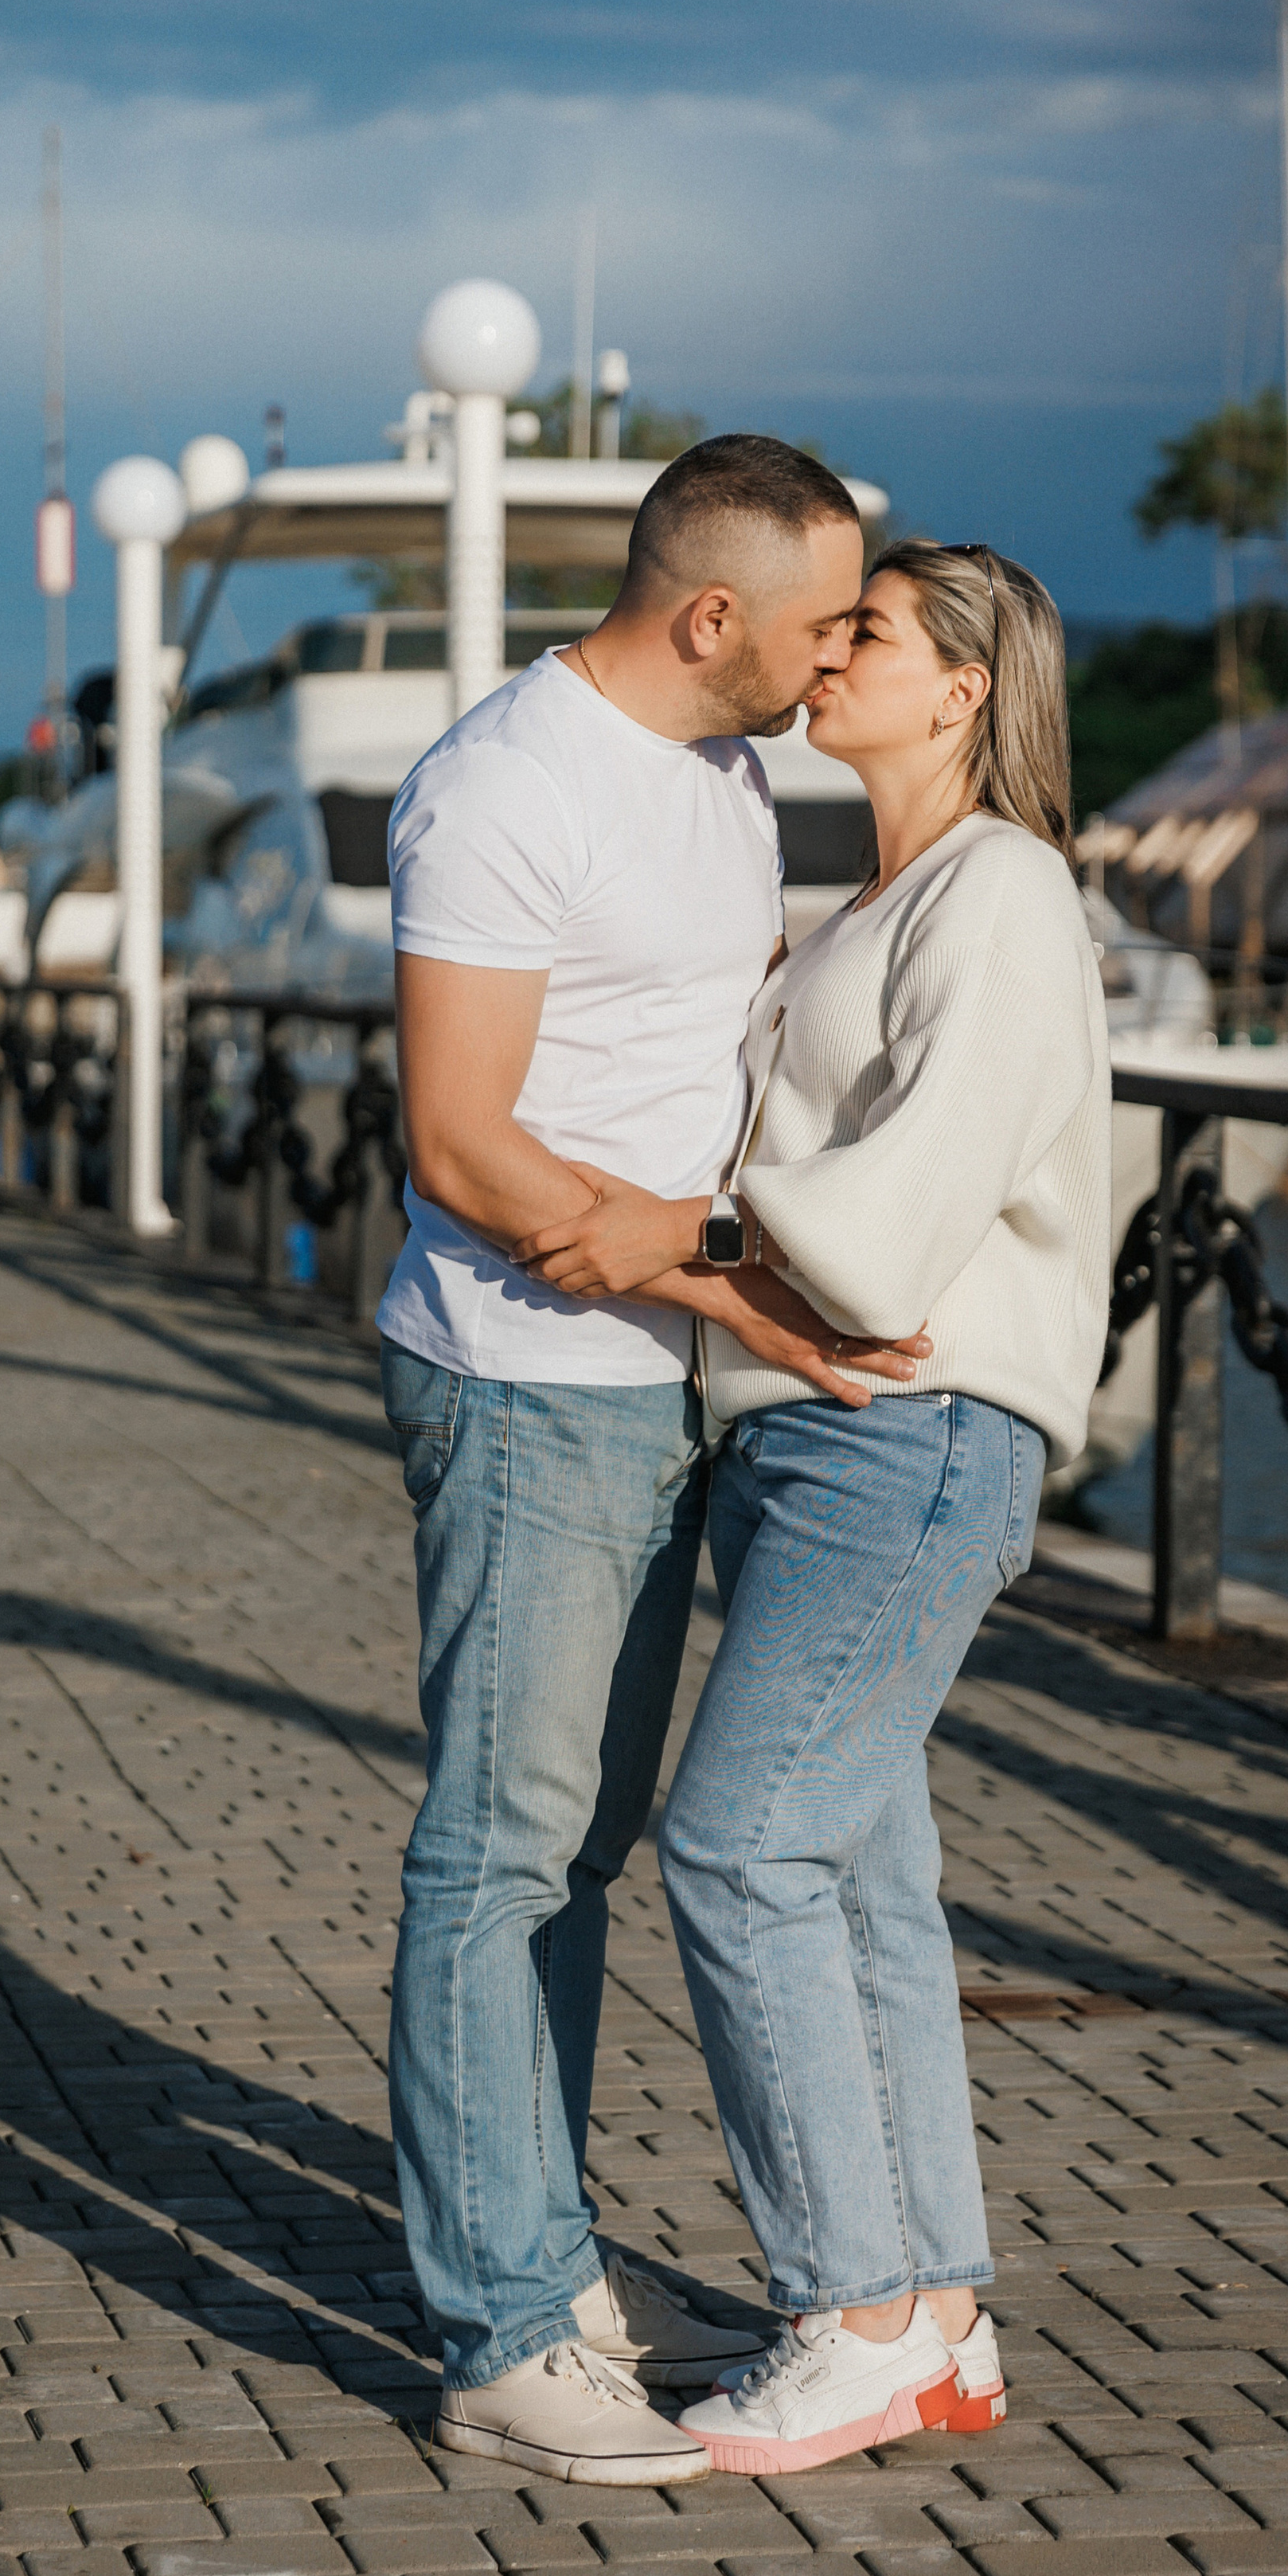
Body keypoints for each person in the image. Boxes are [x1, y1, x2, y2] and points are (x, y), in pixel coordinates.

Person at [513, 537, 1110, 2473]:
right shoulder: (875, 898)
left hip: (905, 1429)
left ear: (960, 689)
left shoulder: (1002, 890)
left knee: (738, 1845)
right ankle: (929, 2316)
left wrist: (672, 1233)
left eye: (870, 629)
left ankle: (845, 2305)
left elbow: (895, 1220)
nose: (825, 649)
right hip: (806, 1433)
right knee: (857, 1873)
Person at [380, 436, 931, 2485]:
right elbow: (457, 1141)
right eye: (813, 627)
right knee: (506, 1848)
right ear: (709, 617)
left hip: (668, 1375)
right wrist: (729, 1279)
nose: (833, 659)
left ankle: (554, 2262)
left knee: (583, 1846)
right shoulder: (508, 784)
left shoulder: (721, 767)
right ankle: (502, 2334)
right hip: (530, 1380)